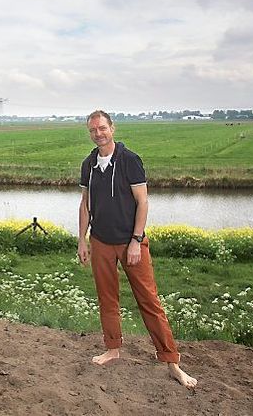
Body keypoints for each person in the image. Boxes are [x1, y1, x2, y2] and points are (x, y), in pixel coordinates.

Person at [76, 110, 197, 389]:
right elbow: (85, 203)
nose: (98, 133)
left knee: (149, 301)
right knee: (107, 299)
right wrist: (82, 240)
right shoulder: (89, 164)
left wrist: (135, 240)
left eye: (102, 128)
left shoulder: (130, 160)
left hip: (130, 242)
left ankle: (172, 362)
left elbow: (142, 203)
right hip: (101, 241)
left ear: (112, 128)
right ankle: (112, 348)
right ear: (89, 132)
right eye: (93, 130)